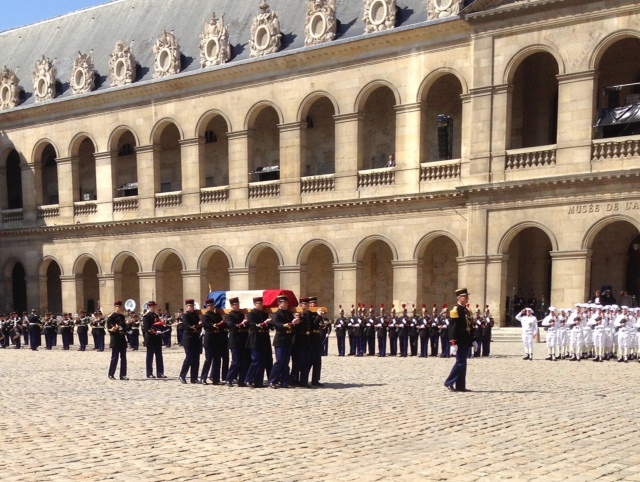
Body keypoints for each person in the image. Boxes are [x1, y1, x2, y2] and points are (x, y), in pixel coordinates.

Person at [444, 288, 473, 392]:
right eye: (465, 297)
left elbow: (470, 326)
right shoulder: (456, 310)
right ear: (460, 298)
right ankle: (449, 382)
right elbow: (452, 327)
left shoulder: (466, 310)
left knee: (463, 363)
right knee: (460, 362)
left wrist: (472, 339)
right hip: (459, 340)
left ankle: (460, 386)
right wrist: (453, 343)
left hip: (465, 340)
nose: (467, 298)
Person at [269, 295, 298, 389]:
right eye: (284, 302)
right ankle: (272, 381)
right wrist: (292, 323)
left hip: (288, 340)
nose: (286, 304)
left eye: (286, 302)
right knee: (279, 361)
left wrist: (295, 321)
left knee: (286, 362)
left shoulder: (288, 314)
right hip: (280, 340)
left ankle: (284, 381)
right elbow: (279, 325)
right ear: (279, 303)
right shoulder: (276, 314)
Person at [244, 296, 271, 388]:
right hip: (254, 339)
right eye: (259, 303)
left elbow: (268, 327)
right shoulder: (251, 314)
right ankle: (248, 379)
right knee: (256, 360)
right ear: (255, 304)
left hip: (262, 339)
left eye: (262, 303)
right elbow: (253, 325)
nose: (261, 305)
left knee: (262, 361)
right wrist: (265, 323)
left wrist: (270, 323)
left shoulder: (263, 314)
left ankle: (258, 381)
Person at [200, 298, 226, 384]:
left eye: (212, 305)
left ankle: (216, 379)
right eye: (209, 305)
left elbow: (222, 326)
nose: (211, 306)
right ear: (207, 306)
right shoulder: (205, 316)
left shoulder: (217, 316)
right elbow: (208, 326)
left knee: (217, 360)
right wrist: (219, 324)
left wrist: (223, 322)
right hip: (209, 339)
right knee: (208, 359)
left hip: (217, 339)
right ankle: (203, 378)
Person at [225, 297, 248, 387]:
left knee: (243, 361)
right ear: (232, 306)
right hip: (234, 340)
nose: (238, 306)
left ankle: (241, 380)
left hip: (242, 339)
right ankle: (229, 379)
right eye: (236, 304)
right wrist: (242, 323)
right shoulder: (230, 316)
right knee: (235, 361)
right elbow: (232, 326)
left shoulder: (241, 315)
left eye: (238, 304)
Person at [179, 299, 202, 384]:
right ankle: (182, 376)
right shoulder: (185, 316)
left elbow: (197, 326)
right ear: (186, 307)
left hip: (195, 339)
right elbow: (187, 326)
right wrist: (197, 326)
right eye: (190, 306)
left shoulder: (195, 315)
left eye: (193, 306)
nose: (192, 307)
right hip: (188, 339)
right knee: (189, 358)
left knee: (196, 359)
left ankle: (194, 378)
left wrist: (200, 324)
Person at [143, 301, 166, 379]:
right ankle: (149, 373)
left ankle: (160, 372)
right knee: (150, 356)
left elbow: (158, 325)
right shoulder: (147, 316)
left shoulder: (156, 315)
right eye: (152, 307)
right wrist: (155, 331)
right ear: (149, 307)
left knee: (159, 355)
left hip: (157, 338)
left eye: (154, 307)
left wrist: (162, 328)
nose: (154, 308)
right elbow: (146, 328)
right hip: (150, 338)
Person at [107, 301, 128, 380]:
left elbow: (124, 326)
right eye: (118, 307)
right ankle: (111, 374)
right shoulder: (111, 316)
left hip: (122, 339)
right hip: (115, 339)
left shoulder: (122, 316)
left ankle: (123, 375)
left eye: (120, 307)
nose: (119, 308)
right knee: (114, 357)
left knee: (123, 358)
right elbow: (109, 328)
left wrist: (124, 328)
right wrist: (114, 328)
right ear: (115, 307)